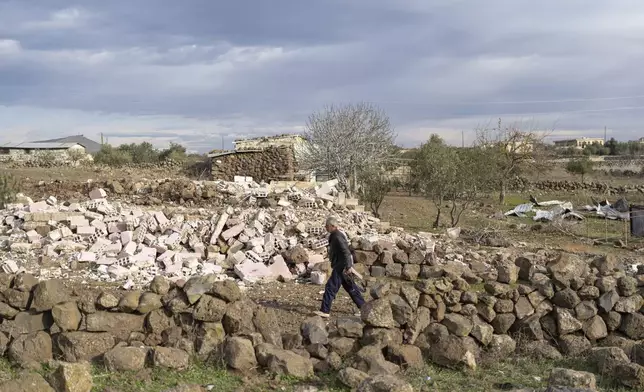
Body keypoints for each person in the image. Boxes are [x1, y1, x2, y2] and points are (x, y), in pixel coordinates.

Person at [313, 216, 365, 318]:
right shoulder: (336, 235)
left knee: (330, 287)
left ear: (332, 226)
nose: (325, 227)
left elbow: (346, 251)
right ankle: (364, 308)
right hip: (342, 265)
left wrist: (349, 266)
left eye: (327, 226)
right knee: (351, 288)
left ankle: (325, 310)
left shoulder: (337, 236)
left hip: (341, 267)